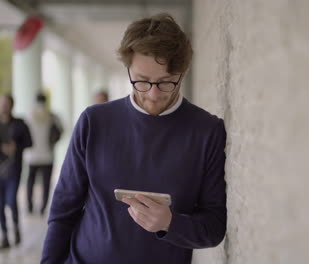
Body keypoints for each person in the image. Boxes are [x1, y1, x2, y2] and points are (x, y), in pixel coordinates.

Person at [41, 13, 227, 263]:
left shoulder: (207, 130)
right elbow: (63, 212)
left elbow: (214, 228)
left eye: (165, 82)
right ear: (128, 67)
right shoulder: (94, 121)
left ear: (182, 72)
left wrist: (170, 223)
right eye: (142, 81)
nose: (152, 94)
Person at [0, 94, 32, 249]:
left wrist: (16, 147)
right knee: (0, 205)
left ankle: (16, 228)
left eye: (6, 103)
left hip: (13, 170)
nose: (3, 106)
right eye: (1, 103)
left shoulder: (19, 124)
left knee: (11, 201)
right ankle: (5, 235)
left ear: (12, 105)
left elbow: (29, 141)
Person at [24, 93, 62, 216]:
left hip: (32, 156)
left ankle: (29, 206)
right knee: (46, 184)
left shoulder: (28, 116)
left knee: (30, 182)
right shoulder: (51, 116)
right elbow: (61, 129)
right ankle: (42, 208)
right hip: (47, 155)